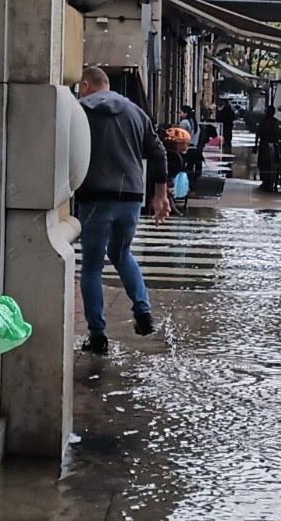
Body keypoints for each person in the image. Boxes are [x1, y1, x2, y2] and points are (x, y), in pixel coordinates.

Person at [75, 66, 171, 354]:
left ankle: (98, 337)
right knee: (120, 253)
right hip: (131, 196)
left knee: (91, 266)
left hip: (94, 196)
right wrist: (160, 195)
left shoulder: (79, 111)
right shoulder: (135, 112)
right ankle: (143, 310)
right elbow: (158, 152)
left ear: (86, 84)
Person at [253, 105, 281, 192]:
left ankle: (266, 180)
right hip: (268, 145)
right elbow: (278, 135)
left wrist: (255, 145)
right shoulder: (271, 121)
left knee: (266, 164)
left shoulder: (265, 121)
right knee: (267, 164)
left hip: (266, 145)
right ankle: (267, 180)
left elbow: (258, 134)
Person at [179, 105, 204, 191]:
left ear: (185, 113)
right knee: (190, 169)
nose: (180, 115)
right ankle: (191, 186)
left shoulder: (184, 123)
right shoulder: (195, 123)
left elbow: (180, 136)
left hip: (187, 150)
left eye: (181, 112)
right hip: (195, 149)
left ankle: (184, 187)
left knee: (182, 169)